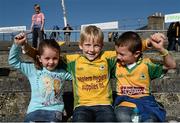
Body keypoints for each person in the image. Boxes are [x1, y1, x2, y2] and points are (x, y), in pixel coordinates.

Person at [21, 25, 166, 122]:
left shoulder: (107, 57)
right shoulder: (73, 60)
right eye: (88, 45)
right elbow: (45, 54)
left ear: (101, 46)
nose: (92, 49)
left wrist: (149, 42)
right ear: (80, 45)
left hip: (104, 105)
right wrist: (26, 47)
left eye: (96, 45)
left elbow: (129, 49)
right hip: (82, 106)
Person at [113, 31, 176, 122]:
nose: (118, 57)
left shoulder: (147, 64)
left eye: (122, 54)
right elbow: (127, 48)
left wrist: (161, 49)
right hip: (125, 103)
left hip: (145, 102)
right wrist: (148, 42)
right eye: (117, 53)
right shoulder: (116, 64)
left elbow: (171, 65)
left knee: (150, 120)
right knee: (121, 116)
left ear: (136, 54)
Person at [8, 33, 71, 122]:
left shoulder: (62, 73)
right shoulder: (32, 70)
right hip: (34, 111)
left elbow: (77, 76)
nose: (51, 62)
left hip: (55, 111)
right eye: (47, 58)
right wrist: (17, 45)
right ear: (40, 58)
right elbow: (13, 61)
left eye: (55, 58)